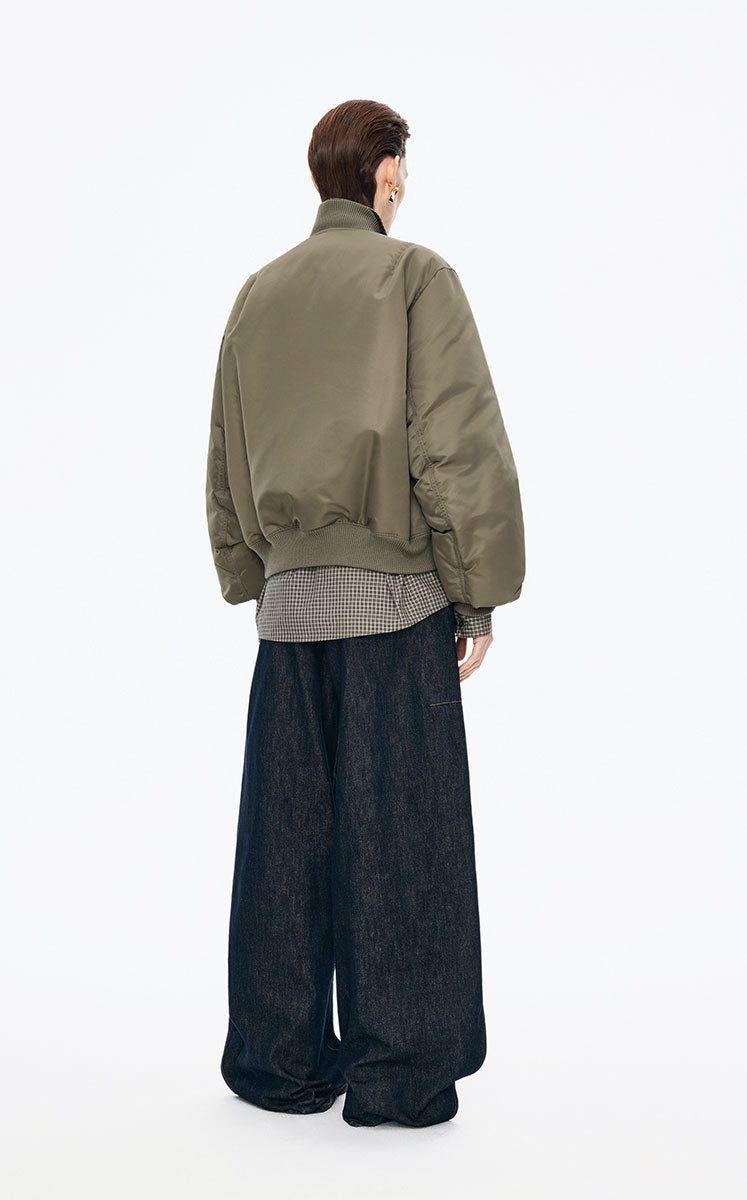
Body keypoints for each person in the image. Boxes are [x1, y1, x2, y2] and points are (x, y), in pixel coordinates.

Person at [205, 98, 525, 1128]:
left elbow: (225, 450)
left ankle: (278, 1062)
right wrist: (475, 593)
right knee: (402, 843)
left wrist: (255, 574)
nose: (405, 187)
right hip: (394, 606)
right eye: (403, 171)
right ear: (384, 174)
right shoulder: (414, 277)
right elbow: (453, 445)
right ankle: (398, 1075)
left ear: (320, 179)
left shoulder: (258, 293)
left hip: (288, 613)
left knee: (284, 845)